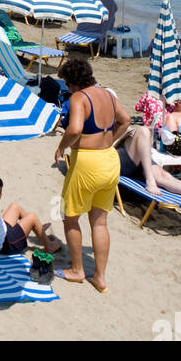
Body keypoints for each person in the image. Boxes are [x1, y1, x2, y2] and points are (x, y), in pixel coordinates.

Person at [53, 56, 130, 292]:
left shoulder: (79, 97)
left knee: (70, 217)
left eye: (66, 82)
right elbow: (125, 120)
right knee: (99, 221)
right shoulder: (107, 93)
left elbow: (75, 128)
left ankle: (77, 270)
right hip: (109, 159)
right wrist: (109, 140)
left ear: (73, 81)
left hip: (87, 163)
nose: (66, 87)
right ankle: (100, 277)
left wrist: (61, 146)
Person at [118, 126, 181, 199]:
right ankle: (150, 180)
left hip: (134, 156)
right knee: (143, 131)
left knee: (164, 176)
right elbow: (125, 120)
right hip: (116, 157)